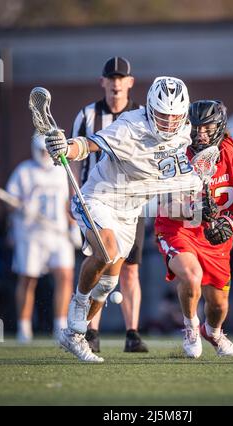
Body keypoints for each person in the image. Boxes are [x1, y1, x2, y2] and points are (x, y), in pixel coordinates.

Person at [45, 76, 203, 363]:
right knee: (106, 249)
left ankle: (74, 334)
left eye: (174, 117)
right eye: (162, 116)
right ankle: (79, 303)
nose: (168, 123)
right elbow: (89, 144)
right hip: (99, 197)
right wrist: (65, 148)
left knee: (107, 285)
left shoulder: (186, 131)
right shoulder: (131, 124)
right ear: (150, 109)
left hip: (131, 211)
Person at [155, 100, 233, 358]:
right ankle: (190, 327)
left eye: (207, 127)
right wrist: (195, 210)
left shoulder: (230, 151)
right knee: (191, 275)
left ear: (219, 127)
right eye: (196, 127)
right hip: (179, 229)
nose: (200, 134)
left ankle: (214, 332)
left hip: (216, 235)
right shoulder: (176, 152)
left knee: (218, 306)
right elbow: (163, 203)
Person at [71, 56, 147, 353]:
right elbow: (75, 158)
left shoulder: (142, 114)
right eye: (111, 77)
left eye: (121, 77)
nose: (116, 83)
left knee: (130, 268)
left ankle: (132, 332)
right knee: (101, 260)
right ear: (103, 81)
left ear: (130, 82)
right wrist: (72, 195)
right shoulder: (88, 115)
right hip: (96, 201)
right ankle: (91, 331)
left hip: (131, 204)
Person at [6, 133, 75, 342]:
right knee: (28, 279)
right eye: (42, 151)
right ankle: (24, 327)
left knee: (65, 276)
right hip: (31, 234)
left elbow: (68, 202)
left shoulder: (62, 171)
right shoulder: (24, 171)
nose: (45, 154)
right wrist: (21, 208)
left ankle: (60, 325)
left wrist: (73, 227)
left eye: (48, 150)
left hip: (58, 233)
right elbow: (10, 201)